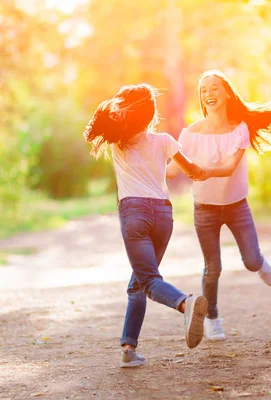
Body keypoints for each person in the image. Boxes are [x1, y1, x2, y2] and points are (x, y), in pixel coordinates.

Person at [83, 83, 209, 368]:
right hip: (164, 215)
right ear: (151, 113)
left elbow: (100, 120)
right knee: (138, 283)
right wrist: (206, 170)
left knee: (149, 280)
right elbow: (192, 171)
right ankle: (129, 348)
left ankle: (185, 303)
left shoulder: (119, 141)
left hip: (135, 213)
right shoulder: (164, 140)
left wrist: (115, 105)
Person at [167, 70, 271, 341]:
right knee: (213, 268)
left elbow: (228, 167)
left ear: (226, 93)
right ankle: (212, 318)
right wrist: (144, 159)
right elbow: (171, 171)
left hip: (237, 206)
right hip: (205, 208)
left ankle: (259, 262)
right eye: (203, 90)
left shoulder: (240, 129)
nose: (208, 94)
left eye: (214, 88)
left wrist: (202, 171)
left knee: (249, 261)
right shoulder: (189, 134)